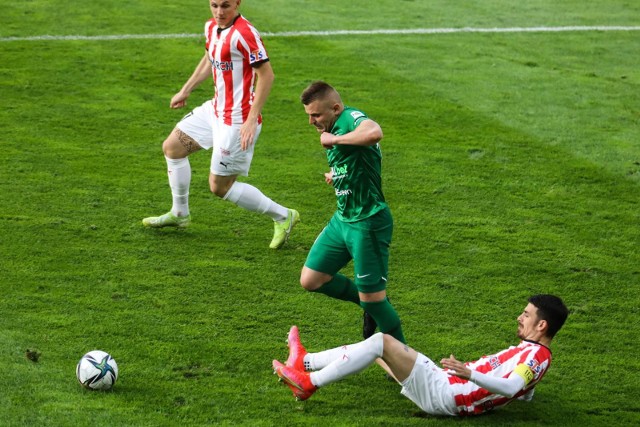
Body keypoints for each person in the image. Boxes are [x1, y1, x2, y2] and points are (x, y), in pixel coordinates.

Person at [142, 0, 299, 249]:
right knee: (173, 148)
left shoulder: (245, 34)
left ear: (237, 3)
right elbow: (209, 58)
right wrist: (186, 90)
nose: (219, 12)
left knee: (220, 187)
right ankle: (179, 213)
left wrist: (250, 119)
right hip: (215, 110)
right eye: (214, 5)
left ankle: (283, 215)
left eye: (225, 5)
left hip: (238, 120)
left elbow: (266, 74)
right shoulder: (211, 28)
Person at [272, 294, 569, 417]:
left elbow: (513, 386)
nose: (519, 317)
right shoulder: (534, 354)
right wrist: (527, 393)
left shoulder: (537, 356)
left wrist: (470, 374)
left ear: (541, 325)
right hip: (446, 384)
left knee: (381, 343)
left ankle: (310, 383)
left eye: (526, 315)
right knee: (374, 352)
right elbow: (523, 388)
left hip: (447, 393)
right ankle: (304, 362)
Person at [299, 81, 405, 343]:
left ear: (335, 108)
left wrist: (334, 139)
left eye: (316, 115)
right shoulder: (335, 124)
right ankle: (372, 302)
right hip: (342, 219)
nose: (312, 122)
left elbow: (374, 133)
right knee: (311, 279)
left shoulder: (350, 118)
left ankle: (410, 370)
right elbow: (359, 161)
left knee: (375, 301)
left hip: (367, 222)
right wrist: (338, 176)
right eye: (309, 115)